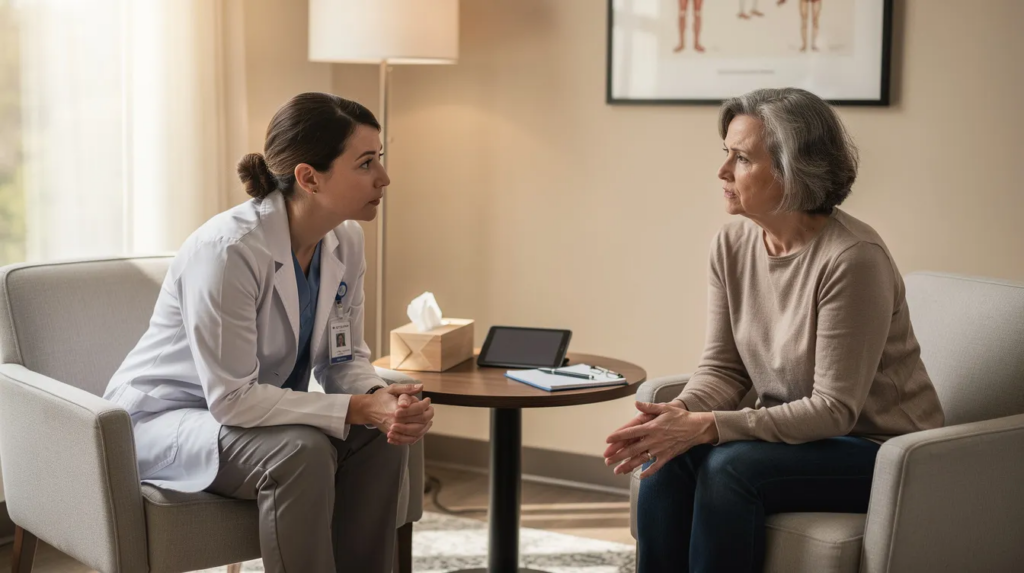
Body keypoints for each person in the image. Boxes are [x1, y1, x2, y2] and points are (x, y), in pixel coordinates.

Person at [603, 87, 944, 572]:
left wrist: (711, 427)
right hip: (800, 438)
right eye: (726, 155)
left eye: (741, 159)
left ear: (792, 169)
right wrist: (675, 417)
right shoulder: (732, 244)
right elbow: (724, 369)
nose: (722, 172)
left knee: (729, 468)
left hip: (883, 451)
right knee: (669, 456)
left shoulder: (852, 259)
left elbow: (834, 411)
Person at [104, 92, 434, 573]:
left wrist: (381, 400)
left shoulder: (346, 240)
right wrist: (359, 407)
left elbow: (342, 359)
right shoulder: (228, 251)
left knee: (380, 437)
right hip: (172, 418)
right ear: (308, 177)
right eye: (366, 163)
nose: (384, 178)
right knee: (301, 451)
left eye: (379, 159)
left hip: (253, 415)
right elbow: (231, 400)